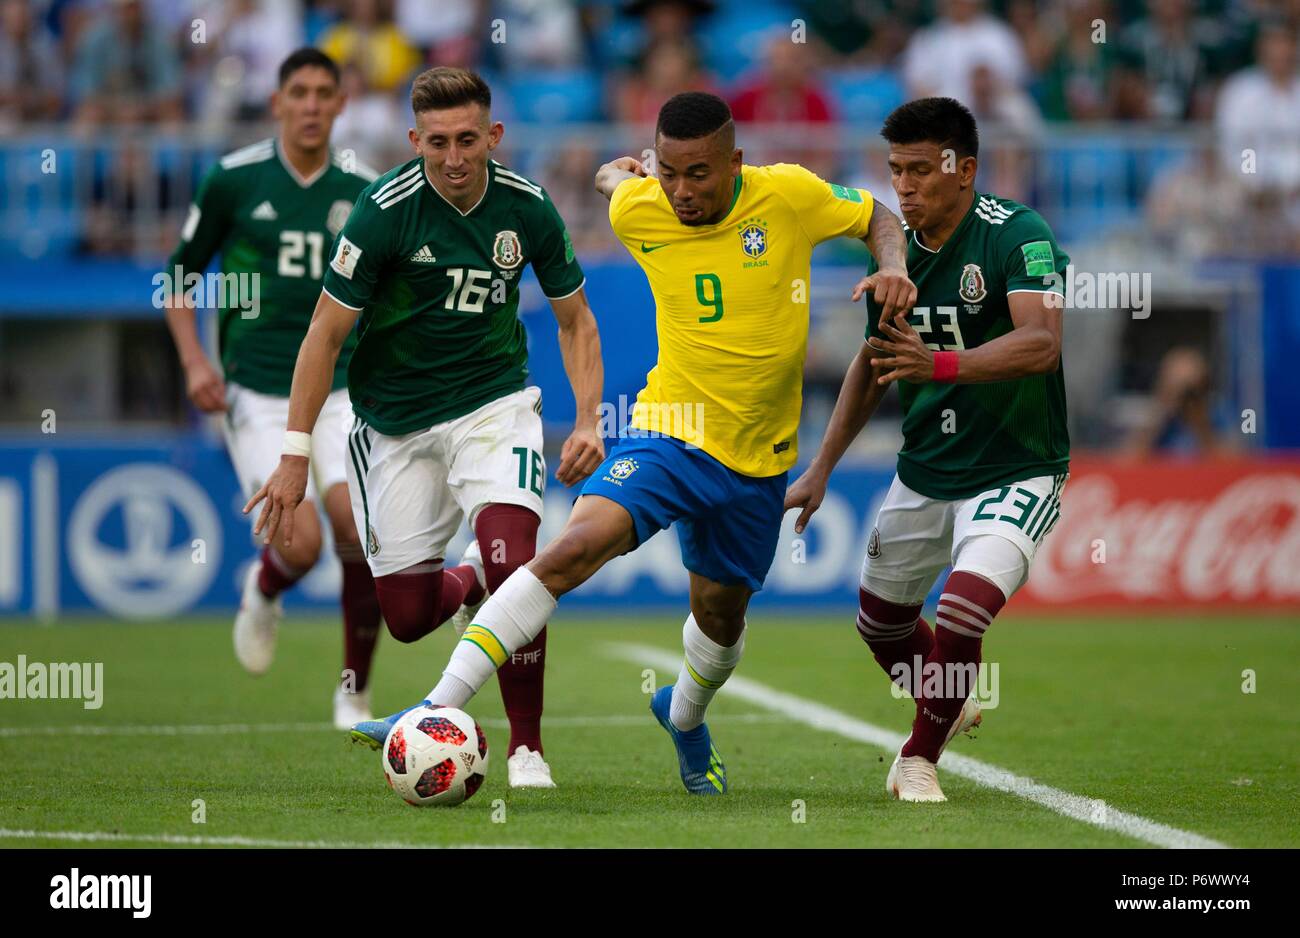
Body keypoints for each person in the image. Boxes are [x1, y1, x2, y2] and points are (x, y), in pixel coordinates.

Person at [344, 91, 915, 796]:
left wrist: (895, 265)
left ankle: (683, 715)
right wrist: (619, 180)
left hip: (759, 460)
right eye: (668, 173)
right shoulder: (639, 210)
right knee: (571, 550)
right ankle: (436, 708)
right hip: (667, 432)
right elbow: (619, 188)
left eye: (699, 175)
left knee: (721, 616)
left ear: (735, 162)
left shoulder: (788, 195)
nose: (680, 192)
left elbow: (879, 216)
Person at [245, 67, 606, 789]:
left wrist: (589, 417)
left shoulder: (528, 207)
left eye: (468, 139)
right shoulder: (383, 209)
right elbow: (322, 336)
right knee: (408, 617)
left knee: (519, 565)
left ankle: (526, 749)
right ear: (414, 140)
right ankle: (468, 575)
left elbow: (575, 319)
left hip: (493, 408)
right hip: (395, 424)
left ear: (493, 136)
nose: (453, 157)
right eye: (436, 142)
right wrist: (293, 453)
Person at [785, 97, 1071, 802]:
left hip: (1016, 466)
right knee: (880, 624)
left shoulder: (1018, 235)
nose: (904, 187)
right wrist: (821, 468)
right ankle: (950, 696)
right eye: (894, 172)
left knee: (966, 607)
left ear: (965, 169)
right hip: (925, 470)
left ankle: (919, 756)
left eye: (919, 170)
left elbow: (1041, 343)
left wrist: (940, 366)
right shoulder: (894, 258)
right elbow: (872, 364)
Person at [162, 48, 383, 730]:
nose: (313, 105)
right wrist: (196, 362)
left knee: (358, 532)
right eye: (300, 93)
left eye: (325, 92)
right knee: (302, 546)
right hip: (257, 388)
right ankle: (264, 588)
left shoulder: (366, 187)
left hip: (343, 387)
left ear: (342, 104)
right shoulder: (232, 179)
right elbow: (178, 278)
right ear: (278, 102)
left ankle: (353, 692)